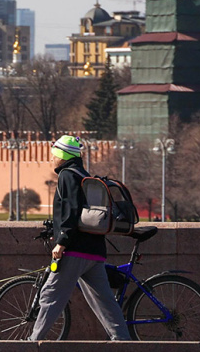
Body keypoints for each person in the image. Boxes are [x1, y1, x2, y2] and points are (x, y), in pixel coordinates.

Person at [29, 135, 130, 341]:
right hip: (95, 251)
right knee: (105, 302)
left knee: (50, 296)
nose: (52, 159)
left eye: (54, 155)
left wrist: (61, 242)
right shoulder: (85, 175)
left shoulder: (67, 175)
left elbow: (71, 210)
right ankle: (123, 342)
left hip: (74, 251)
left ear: (62, 155)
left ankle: (32, 344)